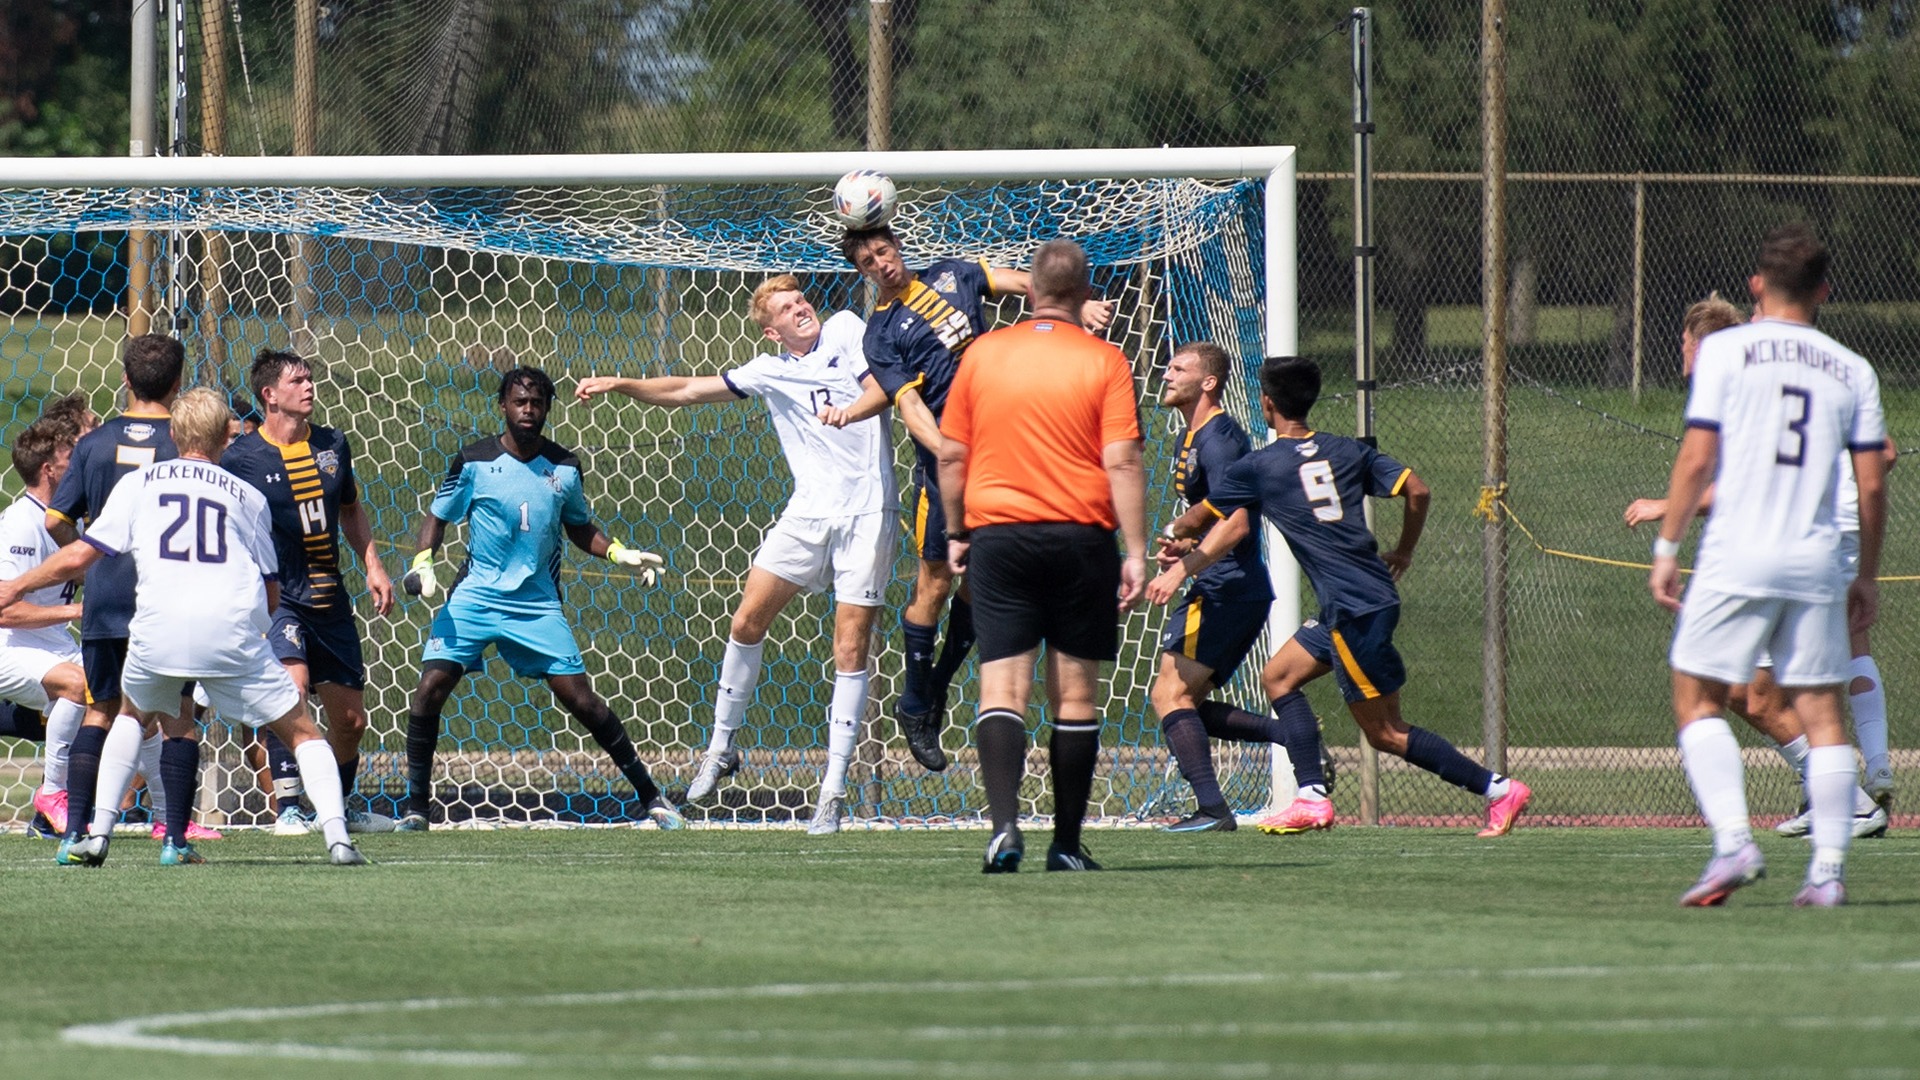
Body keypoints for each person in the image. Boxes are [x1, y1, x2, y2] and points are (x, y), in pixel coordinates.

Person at [1156, 357, 1533, 838]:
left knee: (1385, 733)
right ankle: (1311, 796)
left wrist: (1174, 533)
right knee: (1279, 677)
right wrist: (1404, 550)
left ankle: (1498, 790)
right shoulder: (1345, 450)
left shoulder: (1261, 466)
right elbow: (1417, 489)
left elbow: (1195, 520)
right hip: (1361, 598)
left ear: (1267, 404)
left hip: (1353, 608)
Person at [576, 277, 895, 833]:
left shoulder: (846, 329)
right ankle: (720, 750)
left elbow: (880, 387)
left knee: (849, 646)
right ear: (772, 330)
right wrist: (624, 383)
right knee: (747, 620)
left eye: (802, 301)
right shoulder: (769, 370)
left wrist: (851, 412)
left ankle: (833, 791)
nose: (802, 310)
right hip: (808, 514)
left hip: (869, 512)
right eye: (787, 309)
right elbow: (687, 392)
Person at [0, 387, 367, 866]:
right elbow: (272, 590)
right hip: (229, 630)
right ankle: (338, 840)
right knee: (301, 731)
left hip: (158, 630)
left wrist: (17, 585)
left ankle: (99, 835)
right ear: (224, 440)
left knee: (131, 716)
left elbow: (82, 553)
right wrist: (255, 628)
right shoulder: (249, 496)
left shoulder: (138, 485)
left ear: (174, 434)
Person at [1650, 224, 1887, 908]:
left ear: (1757, 285)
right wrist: (1866, 575)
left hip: (1736, 552)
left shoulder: (1728, 354)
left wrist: (1667, 549)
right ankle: (1828, 874)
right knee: (1822, 714)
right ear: (1825, 290)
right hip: (1816, 558)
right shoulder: (1853, 369)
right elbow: (1872, 485)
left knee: (1697, 698)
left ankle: (1734, 844)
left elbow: (1697, 459)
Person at [823, 225, 1114, 772]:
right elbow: (911, 408)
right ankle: (914, 701)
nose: (880, 264)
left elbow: (1027, 283)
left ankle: (929, 694)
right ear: (862, 272)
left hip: (1002, 453)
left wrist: (1083, 308)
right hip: (946, 469)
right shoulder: (879, 333)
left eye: (883, 251)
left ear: (898, 247)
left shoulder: (954, 273)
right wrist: (952, 453)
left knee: (982, 583)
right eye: (867, 262)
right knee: (935, 581)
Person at [935, 239, 1146, 873]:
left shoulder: (983, 354)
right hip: (1081, 538)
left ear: (1029, 288)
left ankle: (1003, 829)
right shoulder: (1107, 360)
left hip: (999, 535)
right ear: (1084, 295)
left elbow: (951, 454)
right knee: (1074, 695)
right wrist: (1135, 551)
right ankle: (1065, 843)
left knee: (1002, 685)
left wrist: (956, 531)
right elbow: (1123, 460)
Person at [398, 366, 682, 831]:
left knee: (584, 702)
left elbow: (577, 525)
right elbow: (438, 515)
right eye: (519, 402)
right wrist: (423, 561)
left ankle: (653, 798)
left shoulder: (565, 467)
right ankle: (415, 808)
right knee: (430, 689)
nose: (528, 410)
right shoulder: (473, 461)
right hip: (476, 596)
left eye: (536, 403)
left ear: (548, 407)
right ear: (503, 406)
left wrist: (617, 552)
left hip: (536, 604)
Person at [43, 335, 218, 853]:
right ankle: (175, 840)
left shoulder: (93, 444)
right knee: (177, 715)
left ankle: (74, 832)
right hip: (166, 598)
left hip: (106, 594)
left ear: (124, 379)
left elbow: (56, 519)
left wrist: (91, 557)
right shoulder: (185, 447)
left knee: (99, 711)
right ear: (178, 382)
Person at [220, 349, 396, 835]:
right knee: (290, 691)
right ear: (269, 395)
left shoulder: (334, 445)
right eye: (297, 381)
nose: (309, 386)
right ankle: (289, 807)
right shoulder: (240, 459)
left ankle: (338, 805)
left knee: (351, 722)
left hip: (330, 597)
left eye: (310, 379)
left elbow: (351, 508)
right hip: (281, 600)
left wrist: (374, 566)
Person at [1145, 342, 1290, 833]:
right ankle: (1289, 734)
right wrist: (1183, 546)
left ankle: (1213, 810)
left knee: (1169, 695)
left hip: (1228, 588)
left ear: (1208, 382)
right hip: (1225, 585)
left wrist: (1181, 570)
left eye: (1178, 368)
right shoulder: (1197, 433)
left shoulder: (1219, 440)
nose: (1166, 375)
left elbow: (1239, 523)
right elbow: (1213, 517)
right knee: (1183, 700)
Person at [0, 418, 87, 838]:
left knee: (129, 703)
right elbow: (5, 613)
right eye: (72, 456)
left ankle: (168, 821)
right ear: (50, 469)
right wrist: (75, 613)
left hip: (53, 646)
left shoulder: (67, 521)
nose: (80, 462)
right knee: (77, 684)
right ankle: (52, 795)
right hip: (11, 649)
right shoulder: (19, 524)